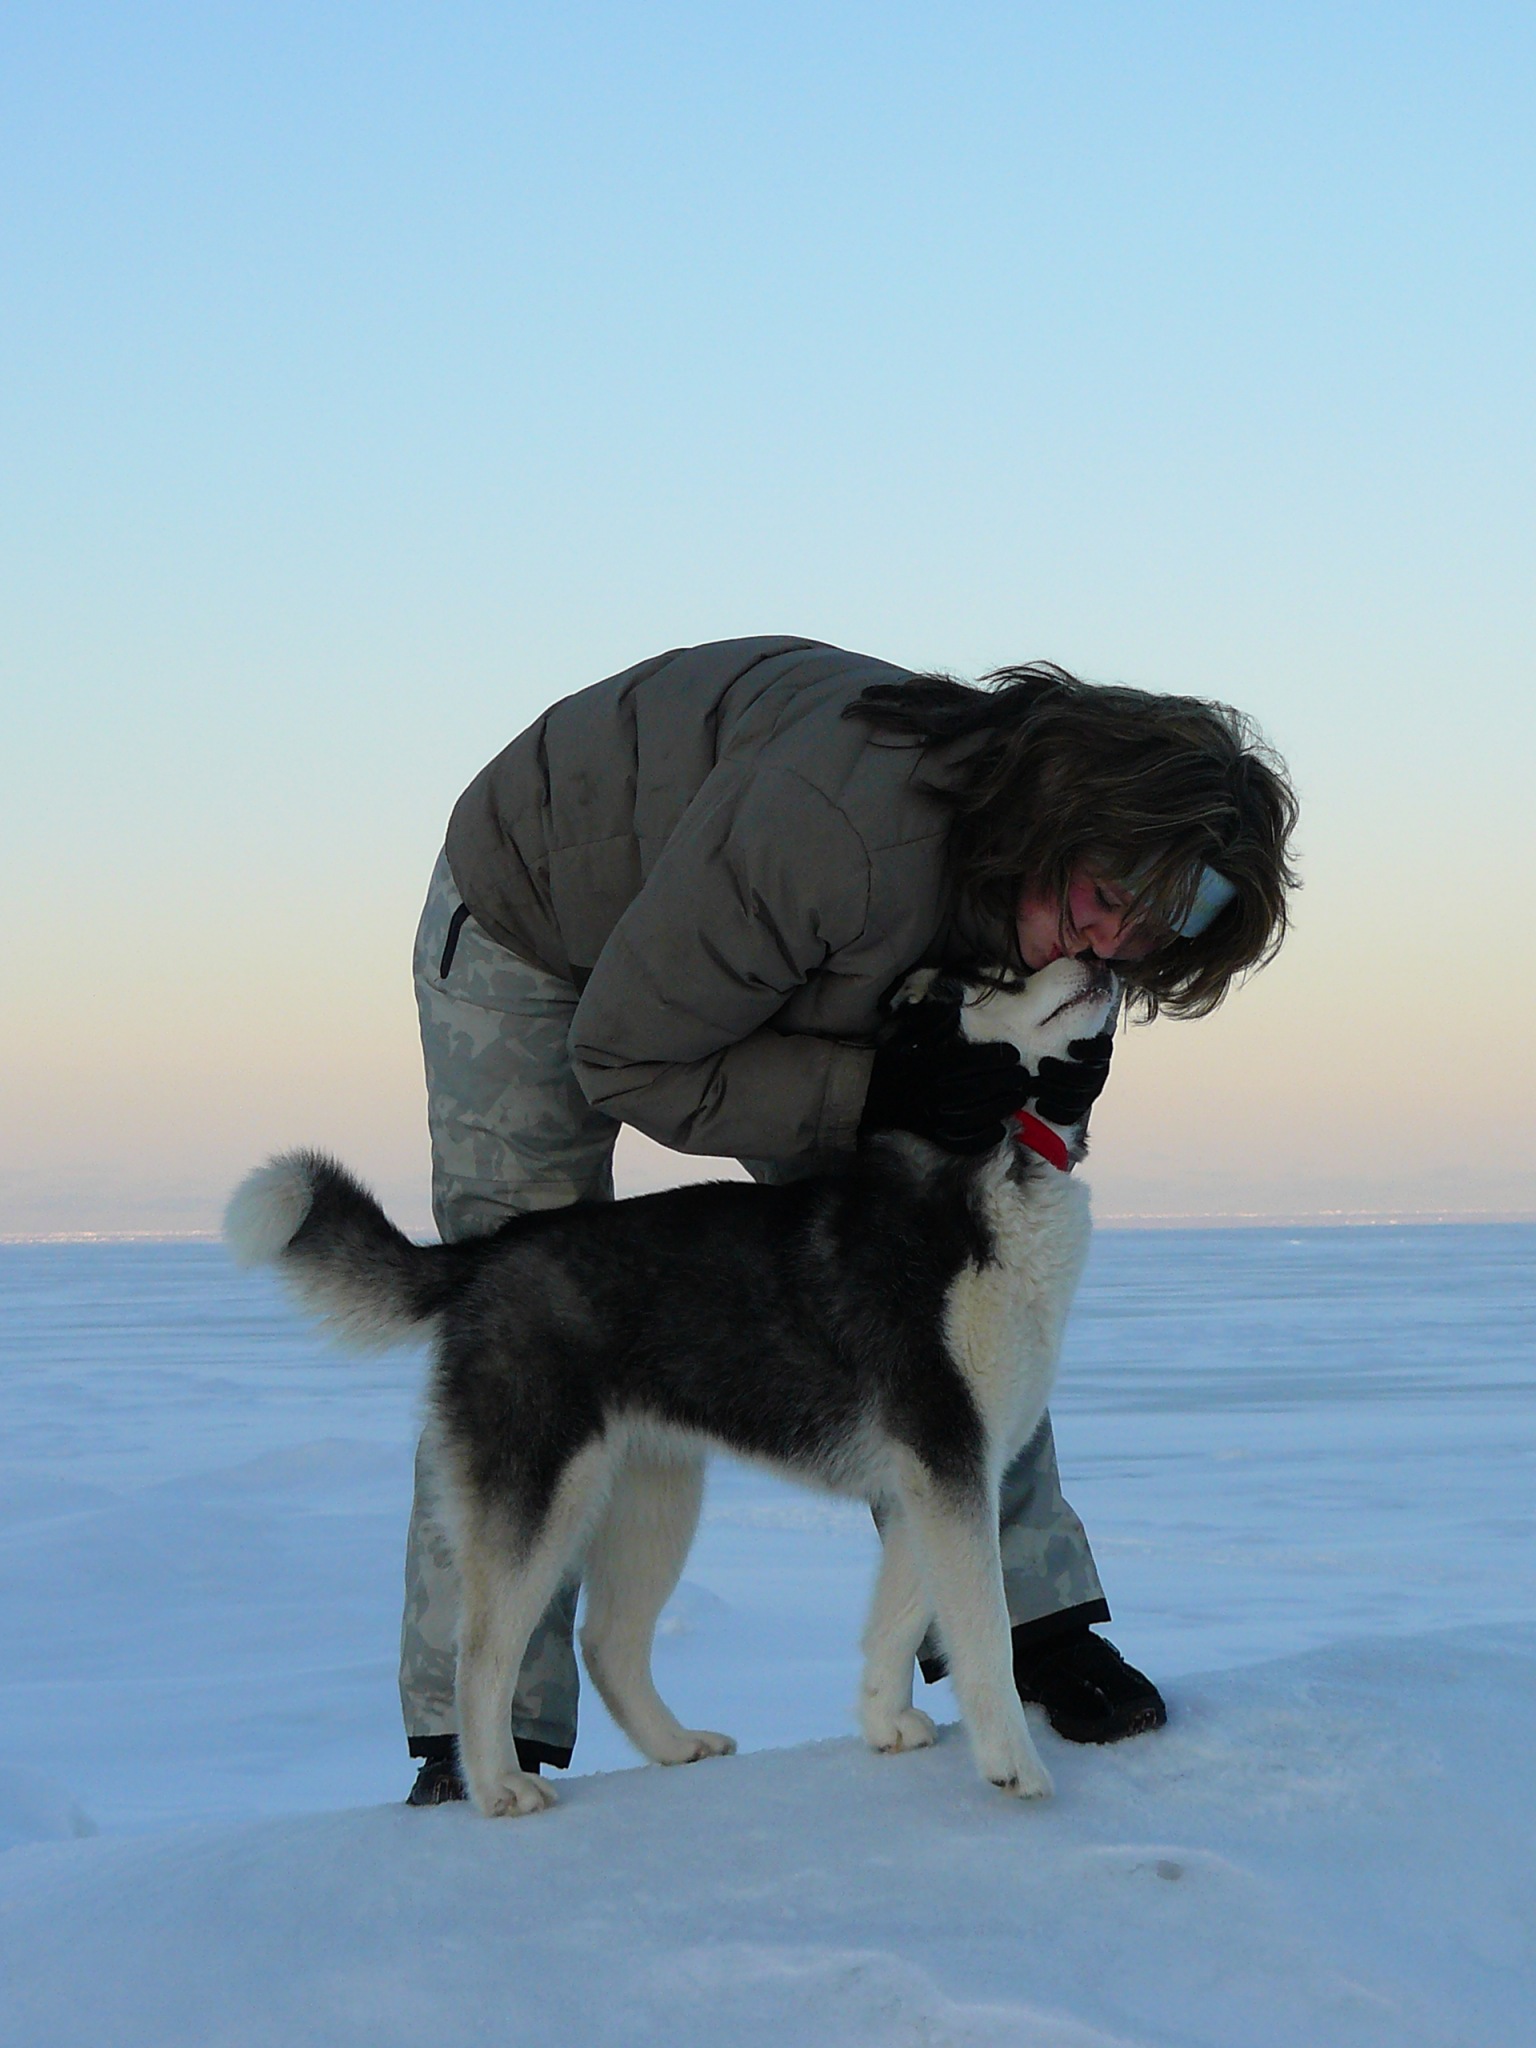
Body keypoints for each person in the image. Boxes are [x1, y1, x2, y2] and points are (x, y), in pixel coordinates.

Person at [400, 635, 1298, 1805]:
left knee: (945, 1274)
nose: (1109, 949)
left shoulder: (1054, 892)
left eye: (1150, 936)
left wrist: (1036, 1114)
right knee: (527, 1315)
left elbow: (1003, 1156)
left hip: (779, 934)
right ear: (1060, 817)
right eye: (1104, 903)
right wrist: (878, 1090)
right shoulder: (841, 832)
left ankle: (1037, 1624)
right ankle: (480, 1732)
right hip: (541, 916)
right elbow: (627, 1053)